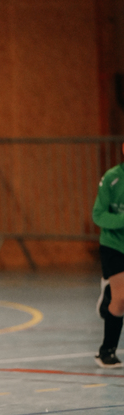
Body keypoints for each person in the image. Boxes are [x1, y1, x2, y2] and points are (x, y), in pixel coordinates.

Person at [92, 144, 124, 368]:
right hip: (114, 245)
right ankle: (107, 351)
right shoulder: (112, 178)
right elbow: (98, 214)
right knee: (120, 300)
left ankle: (109, 292)